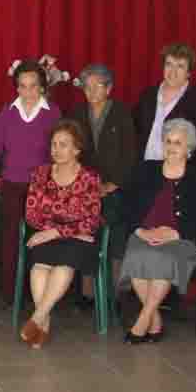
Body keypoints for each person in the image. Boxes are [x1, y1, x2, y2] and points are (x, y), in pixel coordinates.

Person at [120, 119, 196, 343]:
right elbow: (127, 206)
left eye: (178, 143)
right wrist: (140, 231)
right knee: (137, 256)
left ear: (188, 148)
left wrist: (176, 233)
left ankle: (143, 320)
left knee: (163, 258)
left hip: (180, 239)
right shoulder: (145, 170)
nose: (172, 147)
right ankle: (155, 322)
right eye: (168, 141)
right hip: (144, 234)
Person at [0, 59, 62, 302]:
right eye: (22, 86)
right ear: (17, 87)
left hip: (43, 184)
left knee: (38, 236)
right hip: (12, 182)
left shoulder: (53, 113)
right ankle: (10, 291)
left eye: (32, 86)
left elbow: (60, 149)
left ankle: (37, 291)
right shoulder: (9, 111)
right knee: (10, 236)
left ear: (42, 87)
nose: (27, 91)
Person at [20, 120, 102, 348]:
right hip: (52, 236)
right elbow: (32, 214)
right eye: (54, 144)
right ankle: (43, 324)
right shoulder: (40, 174)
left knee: (64, 266)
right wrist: (68, 226)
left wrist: (56, 229)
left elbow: (92, 221)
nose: (56, 149)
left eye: (63, 144)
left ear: (77, 149)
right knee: (39, 268)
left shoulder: (89, 178)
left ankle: (37, 319)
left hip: (73, 242)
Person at [69, 64, 137, 301]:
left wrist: (112, 185)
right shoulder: (77, 114)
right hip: (86, 186)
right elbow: (72, 152)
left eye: (98, 86)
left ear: (109, 88)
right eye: (87, 87)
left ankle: (117, 290)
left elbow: (130, 153)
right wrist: (86, 185)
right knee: (87, 229)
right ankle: (87, 291)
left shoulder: (121, 113)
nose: (92, 92)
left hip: (116, 186)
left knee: (116, 225)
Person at [134, 42, 196, 172]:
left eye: (180, 66)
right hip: (143, 169)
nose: (173, 71)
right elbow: (135, 133)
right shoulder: (148, 95)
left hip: (179, 173)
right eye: (169, 64)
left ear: (189, 73)